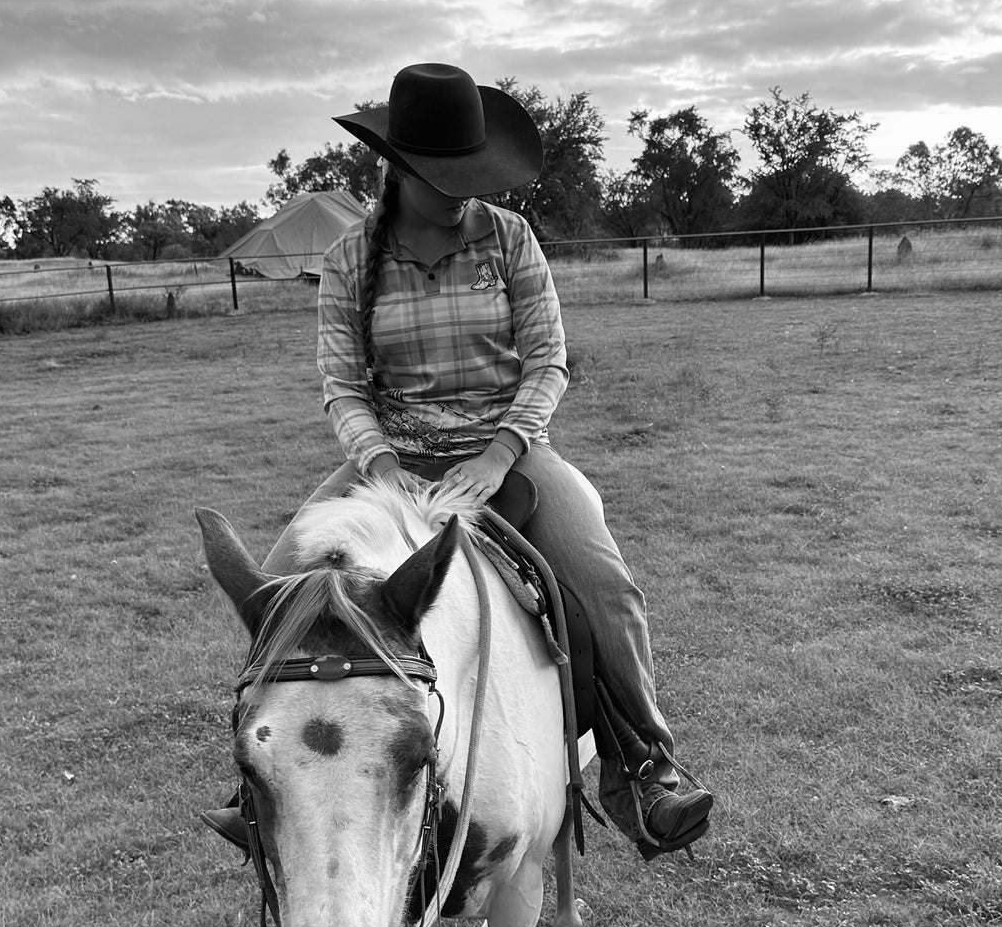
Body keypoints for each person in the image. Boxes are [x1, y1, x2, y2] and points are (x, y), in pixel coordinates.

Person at [278, 61, 714, 854]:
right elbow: (341, 384)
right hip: (393, 459)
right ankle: (269, 782)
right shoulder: (348, 260)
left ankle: (646, 765)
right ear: (401, 166)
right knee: (280, 582)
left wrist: (501, 451)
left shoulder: (508, 239)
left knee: (600, 582)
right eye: (445, 173)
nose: (463, 187)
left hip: (506, 449)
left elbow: (548, 360)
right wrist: (378, 466)